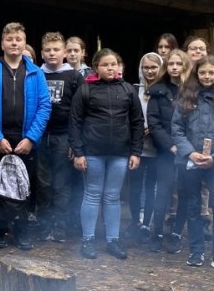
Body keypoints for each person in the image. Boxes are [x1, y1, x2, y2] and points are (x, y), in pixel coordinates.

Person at [0, 22, 51, 251]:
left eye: (18, 39)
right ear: (2, 43)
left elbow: (44, 106)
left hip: (26, 141)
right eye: (9, 39)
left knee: (26, 187)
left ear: (24, 43)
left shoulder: (35, 73)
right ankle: (0, 229)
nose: (14, 43)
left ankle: (22, 230)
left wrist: (32, 138)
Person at [69, 48, 144, 259]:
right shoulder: (86, 90)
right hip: (92, 152)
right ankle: (88, 240)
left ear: (119, 67)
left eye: (114, 64)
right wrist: (78, 152)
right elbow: (75, 122)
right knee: (92, 194)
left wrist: (135, 152)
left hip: (120, 153)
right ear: (96, 68)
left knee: (112, 197)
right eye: (105, 65)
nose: (110, 68)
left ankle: (113, 240)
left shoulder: (128, 90)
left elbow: (137, 122)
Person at [172, 56, 214, 273]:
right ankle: (196, 251)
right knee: (192, 206)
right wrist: (190, 153)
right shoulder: (186, 97)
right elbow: (177, 128)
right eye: (203, 73)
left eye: (211, 73)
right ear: (196, 74)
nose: (207, 77)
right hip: (190, 162)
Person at [36, 32, 82, 243]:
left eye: (56, 49)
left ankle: (60, 227)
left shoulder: (74, 76)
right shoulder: (36, 75)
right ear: (42, 53)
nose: (52, 53)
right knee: (43, 182)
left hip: (64, 136)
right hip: (41, 135)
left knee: (61, 184)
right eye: (48, 50)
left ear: (65, 52)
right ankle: (44, 226)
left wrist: (75, 141)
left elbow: (80, 111)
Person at [148, 49, 192, 253]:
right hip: (166, 151)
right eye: (171, 64)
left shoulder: (194, 90)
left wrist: (185, 148)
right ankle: (156, 233)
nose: (174, 67)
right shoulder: (157, 90)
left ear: (185, 66)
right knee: (162, 193)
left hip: (188, 151)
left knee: (184, 192)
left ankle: (176, 233)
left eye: (178, 64)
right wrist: (170, 145)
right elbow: (154, 122)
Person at [128, 52, 164, 243]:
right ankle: (135, 221)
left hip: (157, 147)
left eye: (153, 68)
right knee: (135, 186)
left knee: (151, 186)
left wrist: (156, 128)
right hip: (138, 145)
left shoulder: (165, 90)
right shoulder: (135, 90)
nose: (149, 71)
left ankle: (146, 223)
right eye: (146, 67)